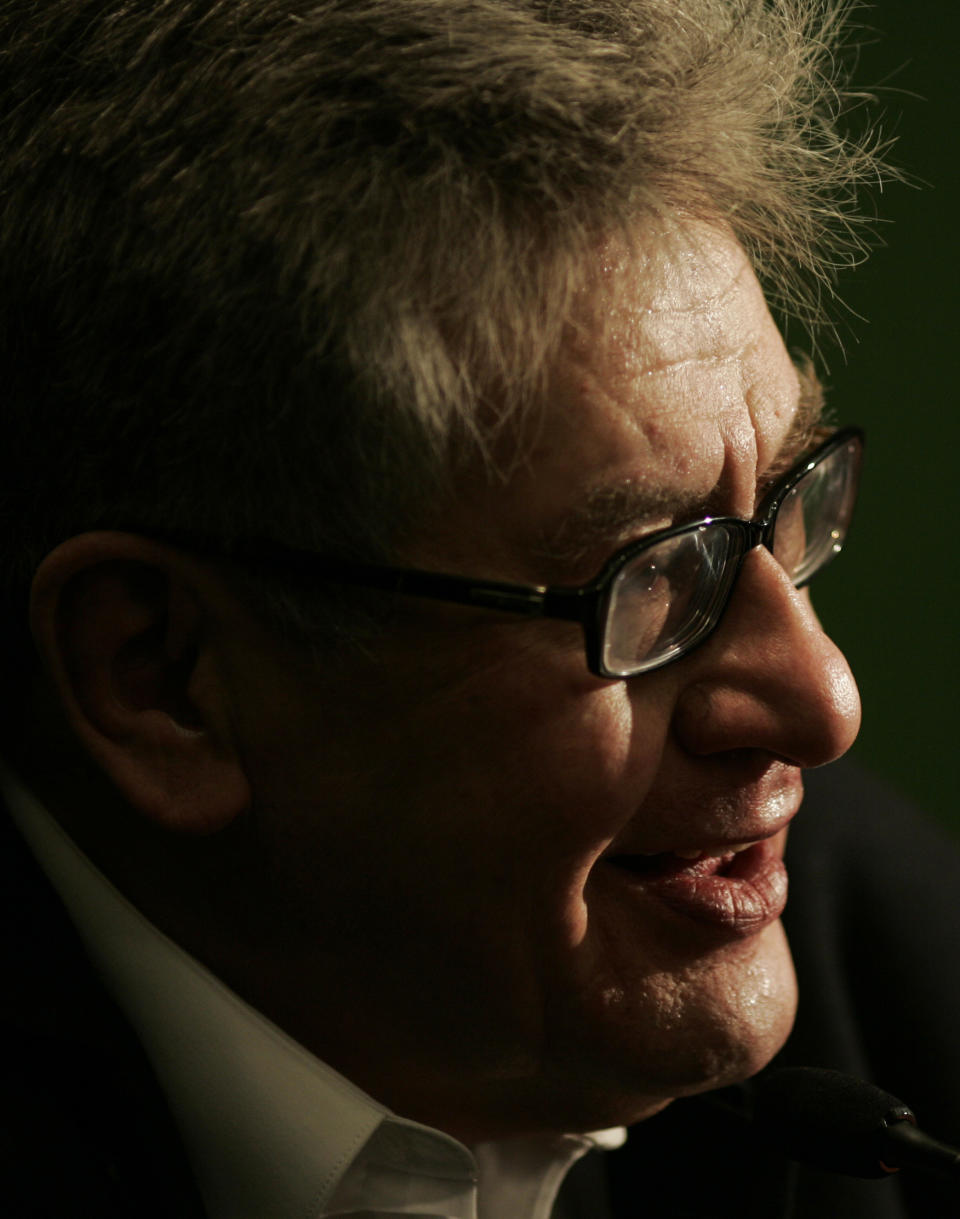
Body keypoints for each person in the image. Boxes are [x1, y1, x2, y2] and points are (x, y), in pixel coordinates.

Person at [2, 1, 959, 1216]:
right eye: (652, 576)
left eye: (787, 506)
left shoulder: (866, 957)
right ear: (164, 677)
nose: (823, 702)